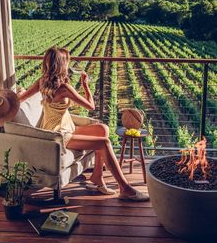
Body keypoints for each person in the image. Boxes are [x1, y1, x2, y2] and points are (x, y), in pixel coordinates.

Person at [17, 46, 149, 201]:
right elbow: (91, 106)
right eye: (66, 61)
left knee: (103, 129)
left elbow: (21, 98)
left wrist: (16, 95)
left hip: (62, 128)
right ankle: (125, 188)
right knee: (104, 142)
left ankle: (97, 177)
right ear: (61, 65)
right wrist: (86, 85)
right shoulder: (65, 87)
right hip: (60, 135)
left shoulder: (42, 82)